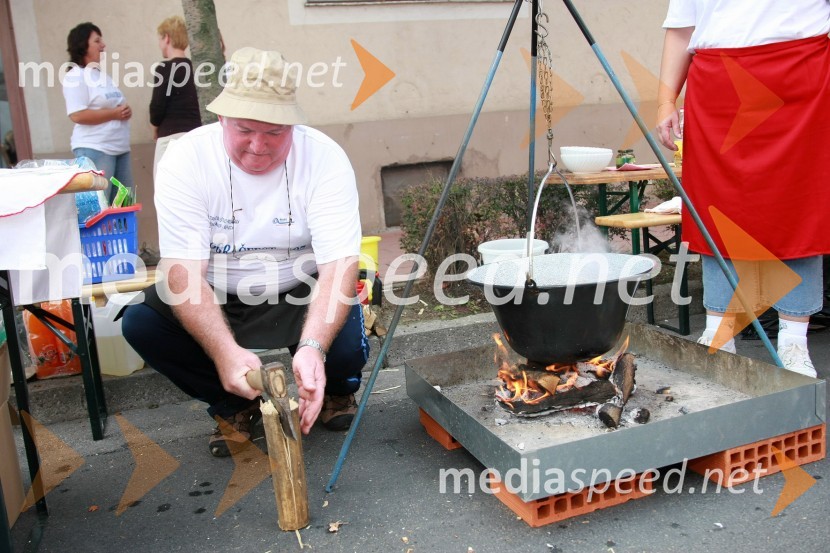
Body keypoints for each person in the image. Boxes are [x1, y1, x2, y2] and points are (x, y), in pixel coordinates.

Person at [121, 47, 369, 458]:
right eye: (245, 130)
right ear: (221, 119)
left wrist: (313, 347)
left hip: (300, 285)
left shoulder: (325, 158)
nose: (259, 146)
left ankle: (337, 389)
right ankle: (235, 403)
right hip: (218, 290)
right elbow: (183, 271)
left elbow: (340, 265)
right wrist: (224, 351)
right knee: (142, 323)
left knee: (337, 345)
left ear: (293, 124)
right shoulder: (186, 160)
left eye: (275, 132)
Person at [656, 0, 830, 377]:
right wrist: (666, 99)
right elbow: (682, 27)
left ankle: (794, 341)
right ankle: (718, 333)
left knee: (799, 207)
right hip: (718, 84)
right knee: (716, 207)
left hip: (802, 78)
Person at [63, 22, 133, 203]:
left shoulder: (102, 76)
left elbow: (116, 105)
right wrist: (115, 114)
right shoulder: (75, 76)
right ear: (83, 45)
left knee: (124, 207)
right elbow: (77, 115)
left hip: (120, 149)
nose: (103, 45)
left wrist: (124, 111)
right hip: (96, 149)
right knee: (100, 207)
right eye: (97, 41)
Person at [150, 15, 201, 179]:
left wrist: (154, 128)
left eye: (160, 38)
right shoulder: (197, 68)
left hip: (170, 137)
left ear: (167, 38)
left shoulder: (164, 68)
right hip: (195, 137)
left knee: (165, 187)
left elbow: (157, 106)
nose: (159, 44)